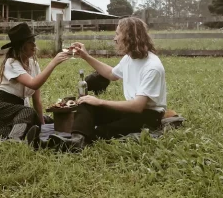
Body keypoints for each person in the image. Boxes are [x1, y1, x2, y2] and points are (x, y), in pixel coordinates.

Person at [49, 17, 167, 151]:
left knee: (104, 131)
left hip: (148, 116)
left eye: (117, 34)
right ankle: (77, 139)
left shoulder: (152, 67)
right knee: (85, 102)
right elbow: (112, 74)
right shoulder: (129, 58)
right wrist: (85, 56)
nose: (115, 38)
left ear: (130, 37)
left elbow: (137, 106)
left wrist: (100, 101)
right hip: (129, 111)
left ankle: (77, 142)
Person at [0, 22, 70, 144]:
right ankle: (15, 139)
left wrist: (42, 124)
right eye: (30, 42)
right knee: (28, 112)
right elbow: (34, 84)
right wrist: (53, 63)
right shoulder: (11, 63)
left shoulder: (34, 65)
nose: (34, 45)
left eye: (34, 41)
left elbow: (36, 98)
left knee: (42, 119)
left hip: (17, 110)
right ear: (21, 46)